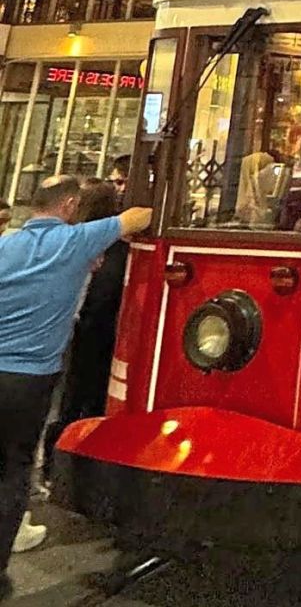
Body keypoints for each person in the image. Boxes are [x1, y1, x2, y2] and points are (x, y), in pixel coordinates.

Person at [0, 176, 152, 596]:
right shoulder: (74, 241)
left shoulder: (5, 245)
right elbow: (137, 218)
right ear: (68, 204)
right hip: (31, 379)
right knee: (13, 471)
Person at [42, 182, 128, 469]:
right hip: (98, 334)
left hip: (64, 333)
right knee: (84, 395)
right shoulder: (117, 251)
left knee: (66, 398)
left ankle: (53, 462)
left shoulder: (66, 241)